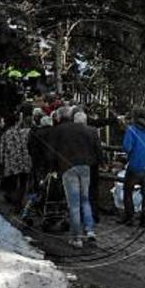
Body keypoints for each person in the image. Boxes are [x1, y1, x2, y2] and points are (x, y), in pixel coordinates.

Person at [49, 106, 102, 248]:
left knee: (73, 204)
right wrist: (100, 163)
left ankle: (76, 238)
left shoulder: (63, 130)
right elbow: (98, 149)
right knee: (85, 200)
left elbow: (54, 150)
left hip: (68, 167)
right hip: (86, 167)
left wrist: (53, 168)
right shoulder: (91, 131)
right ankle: (90, 231)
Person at [121, 108, 145, 226]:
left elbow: (126, 147)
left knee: (127, 191)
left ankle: (130, 217)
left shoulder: (132, 129)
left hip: (135, 165)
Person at [0, 113, 32, 210]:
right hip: (24, 161)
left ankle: (11, 197)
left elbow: (2, 150)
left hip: (11, 162)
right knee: (23, 182)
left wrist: (1, 162)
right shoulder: (23, 133)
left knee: (13, 180)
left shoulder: (5, 135)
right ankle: (19, 201)